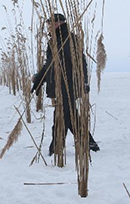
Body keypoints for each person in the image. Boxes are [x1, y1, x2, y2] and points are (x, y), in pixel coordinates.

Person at [31, 13, 100, 156]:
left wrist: (83, 82)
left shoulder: (69, 39)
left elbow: (80, 62)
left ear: (59, 23)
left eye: (51, 23)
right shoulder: (53, 41)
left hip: (68, 86)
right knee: (71, 117)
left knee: (61, 117)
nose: (49, 26)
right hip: (58, 85)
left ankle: (56, 148)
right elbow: (50, 64)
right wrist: (39, 79)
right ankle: (89, 143)